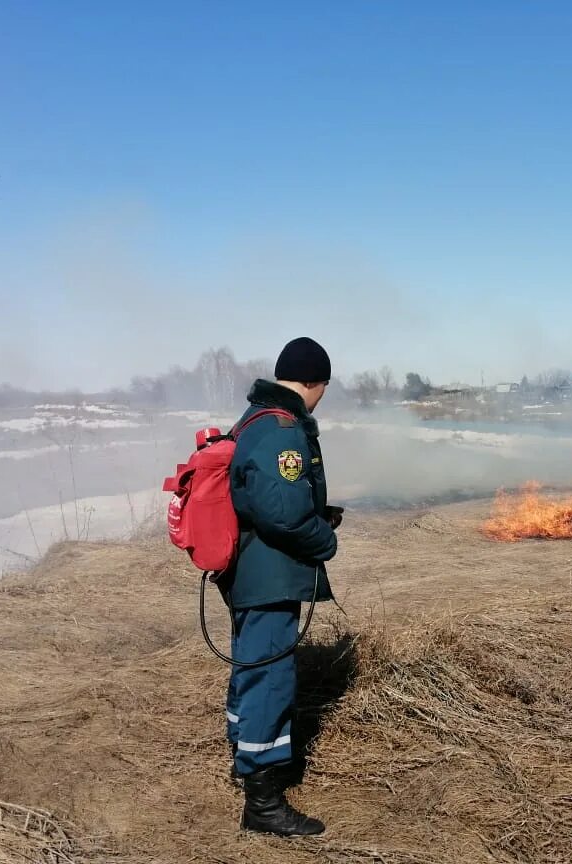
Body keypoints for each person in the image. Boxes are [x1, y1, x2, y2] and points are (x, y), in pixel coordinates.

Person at [220, 336, 342, 837]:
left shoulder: (256, 420)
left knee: (254, 666)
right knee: (270, 676)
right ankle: (263, 802)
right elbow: (283, 514)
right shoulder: (280, 429)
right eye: (324, 388)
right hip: (268, 574)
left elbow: (269, 499)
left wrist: (316, 514)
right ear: (313, 382)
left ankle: (247, 755)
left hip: (254, 571)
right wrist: (324, 542)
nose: (322, 397)